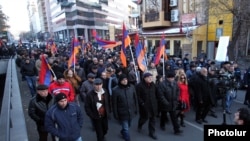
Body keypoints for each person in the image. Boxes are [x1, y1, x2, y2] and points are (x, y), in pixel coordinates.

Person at [112, 74, 138, 141]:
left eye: (126, 79)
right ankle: (127, 137)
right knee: (126, 127)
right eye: (123, 80)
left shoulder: (132, 87)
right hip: (122, 112)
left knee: (129, 124)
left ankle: (123, 131)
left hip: (131, 110)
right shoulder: (115, 90)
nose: (125, 81)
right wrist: (115, 114)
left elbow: (135, 99)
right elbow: (114, 103)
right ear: (120, 81)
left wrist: (136, 108)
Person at [136, 72, 158, 140]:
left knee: (153, 119)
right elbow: (138, 96)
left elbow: (156, 93)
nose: (150, 79)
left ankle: (152, 133)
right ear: (145, 78)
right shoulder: (139, 86)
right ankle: (140, 125)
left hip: (153, 105)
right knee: (144, 118)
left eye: (151, 77)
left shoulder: (153, 85)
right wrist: (142, 103)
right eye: (149, 77)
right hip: (144, 106)